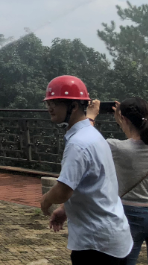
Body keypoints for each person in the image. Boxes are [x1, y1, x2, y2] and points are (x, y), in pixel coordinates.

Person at [40, 75, 132, 264]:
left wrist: (45, 200)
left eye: (55, 103)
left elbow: (63, 190)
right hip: (113, 236)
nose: (50, 108)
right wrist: (65, 210)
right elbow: (92, 184)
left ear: (73, 106)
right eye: (49, 103)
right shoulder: (92, 134)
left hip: (96, 245)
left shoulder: (78, 143)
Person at [89, 98, 148, 265]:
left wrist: (91, 115)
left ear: (123, 119)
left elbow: (88, 143)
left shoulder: (115, 147)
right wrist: (122, 118)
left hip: (129, 213)